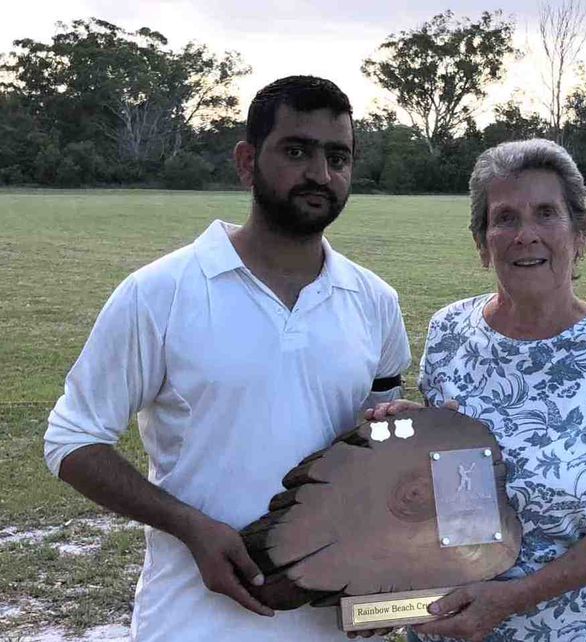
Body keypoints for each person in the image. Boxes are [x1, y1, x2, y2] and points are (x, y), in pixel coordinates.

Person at [44, 76, 411, 642]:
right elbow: (72, 439)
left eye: (338, 157)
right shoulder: (160, 292)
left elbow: (378, 445)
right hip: (192, 622)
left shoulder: (375, 300)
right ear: (246, 162)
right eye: (296, 151)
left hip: (329, 624)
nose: (320, 174)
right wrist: (191, 527)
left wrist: (387, 571)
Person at [368, 139, 586, 641]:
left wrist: (513, 598)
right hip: (452, 627)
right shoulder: (449, 333)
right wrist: (409, 435)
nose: (525, 234)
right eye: (505, 218)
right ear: (482, 241)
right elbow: (450, 479)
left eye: (546, 214)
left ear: (580, 233)